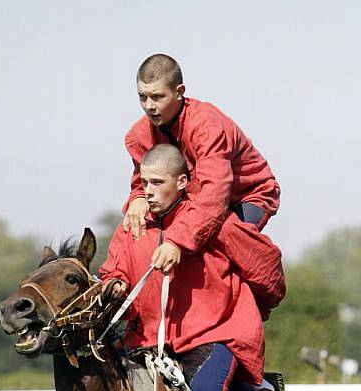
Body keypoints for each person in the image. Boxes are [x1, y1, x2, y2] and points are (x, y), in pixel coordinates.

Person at [100, 144, 277, 391]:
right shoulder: (133, 224)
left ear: (182, 183)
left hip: (217, 336)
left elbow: (267, 267)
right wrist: (113, 287)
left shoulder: (215, 222)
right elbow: (113, 271)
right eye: (143, 182)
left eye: (156, 182)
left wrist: (260, 305)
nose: (146, 190)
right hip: (148, 345)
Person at [121, 54, 282, 317]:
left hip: (246, 195)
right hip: (195, 199)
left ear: (179, 92)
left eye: (157, 97)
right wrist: (137, 197)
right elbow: (141, 181)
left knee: (222, 236)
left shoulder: (207, 125)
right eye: (142, 97)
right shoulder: (138, 135)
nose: (149, 106)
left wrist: (177, 242)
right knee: (146, 228)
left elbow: (214, 197)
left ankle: (250, 308)